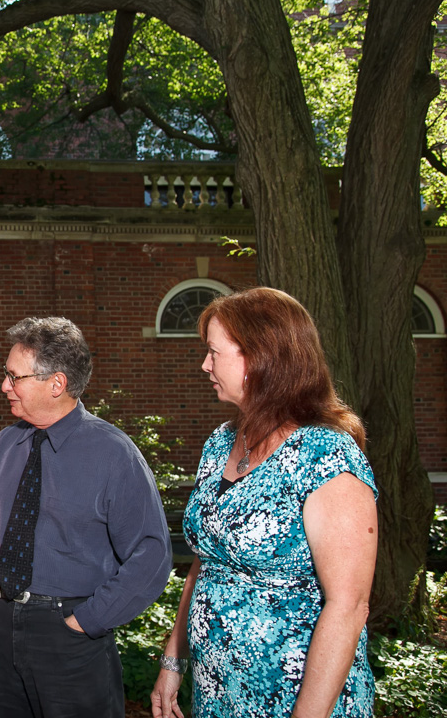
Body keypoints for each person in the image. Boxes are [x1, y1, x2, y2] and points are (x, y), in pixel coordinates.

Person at [150, 287, 378, 718]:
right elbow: (207, 559)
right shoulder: (220, 444)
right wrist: (173, 659)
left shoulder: (325, 455)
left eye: (214, 352)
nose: (205, 364)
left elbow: (348, 606)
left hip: (296, 698)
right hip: (218, 692)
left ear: (258, 358)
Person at [0, 316, 173, 718]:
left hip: (71, 635)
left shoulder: (113, 453)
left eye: (14, 376)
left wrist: (87, 620)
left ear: (56, 384)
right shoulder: (3, 445)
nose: (5, 385)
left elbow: (151, 555)